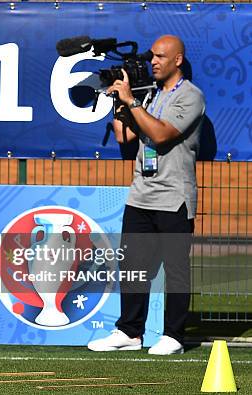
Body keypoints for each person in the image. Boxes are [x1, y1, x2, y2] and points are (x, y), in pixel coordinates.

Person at [87, 35, 205, 355]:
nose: (153, 61)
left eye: (161, 57)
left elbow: (160, 134)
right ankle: (129, 331)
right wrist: (118, 100)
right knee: (133, 267)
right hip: (140, 194)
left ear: (177, 60)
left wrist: (133, 102)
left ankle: (174, 335)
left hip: (173, 196)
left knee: (175, 269)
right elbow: (125, 136)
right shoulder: (149, 96)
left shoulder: (191, 96)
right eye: (151, 56)